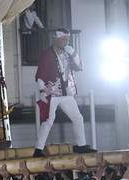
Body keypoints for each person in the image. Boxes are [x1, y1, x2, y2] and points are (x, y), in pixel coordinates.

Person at [33, 28, 95, 158]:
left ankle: (81, 145)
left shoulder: (68, 53)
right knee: (48, 120)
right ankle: (38, 150)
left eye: (67, 39)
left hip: (66, 93)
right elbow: (41, 74)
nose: (66, 42)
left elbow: (80, 67)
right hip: (51, 92)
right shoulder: (46, 54)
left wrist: (74, 53)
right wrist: (41, 91)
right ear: (56, 39)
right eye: (63, 39)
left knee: (78, 118)